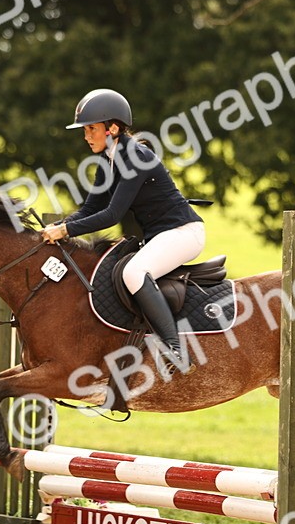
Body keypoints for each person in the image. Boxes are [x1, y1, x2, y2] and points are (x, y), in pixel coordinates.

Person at [40, 89, 205, 373]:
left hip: (183, 233)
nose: (86, 136)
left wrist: (66, 230)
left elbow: (112, 216)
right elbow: (91, 207)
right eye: (85, 129)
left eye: (92, 128)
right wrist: (60, 226)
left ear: (113, 128)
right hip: (163, 235)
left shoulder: (135, 157)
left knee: (133, 273)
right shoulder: (108, 160)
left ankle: (176, 349)